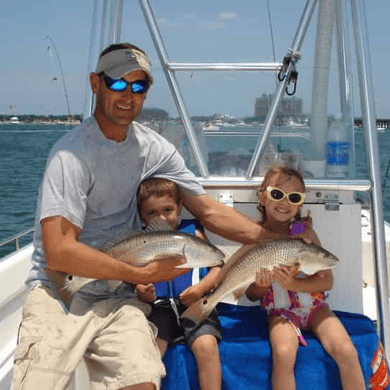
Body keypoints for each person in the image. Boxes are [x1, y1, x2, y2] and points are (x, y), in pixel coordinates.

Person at [12, 42, 280, 390]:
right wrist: (139, 272)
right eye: (118, 83)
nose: (128, 94)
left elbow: (208, 211)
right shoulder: (70, 155)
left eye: (138, 86)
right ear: (96, 84)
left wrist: (274, 241)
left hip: (118, 296)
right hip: (59, 291)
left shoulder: (153, 149)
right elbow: (59, 251)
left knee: (142, 382)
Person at [244, 164, 366, 390]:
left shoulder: (304, 233)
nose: (284, 202)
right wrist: (263, 285)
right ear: (262, 196)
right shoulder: (254, 236)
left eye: (293, 196)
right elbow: (251, 294)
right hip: (280, 312)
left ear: (300, 202)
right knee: (283, 354)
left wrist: (292, 283)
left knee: (347, 350)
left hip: (316, 308)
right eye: (277, 194)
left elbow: (326, 280)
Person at [136, 177, 222, 390]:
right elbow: (134, 278)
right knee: (151, 351)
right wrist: (141, 291)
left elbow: (218, 266)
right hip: (159, 308)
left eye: (167, 210)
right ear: (141, 216)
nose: (162, 218)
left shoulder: (193, 233)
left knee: (207, 345)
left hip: (195, 304)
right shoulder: (140, 241)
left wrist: (201, 288)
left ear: (180, 207)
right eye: (152, 213)